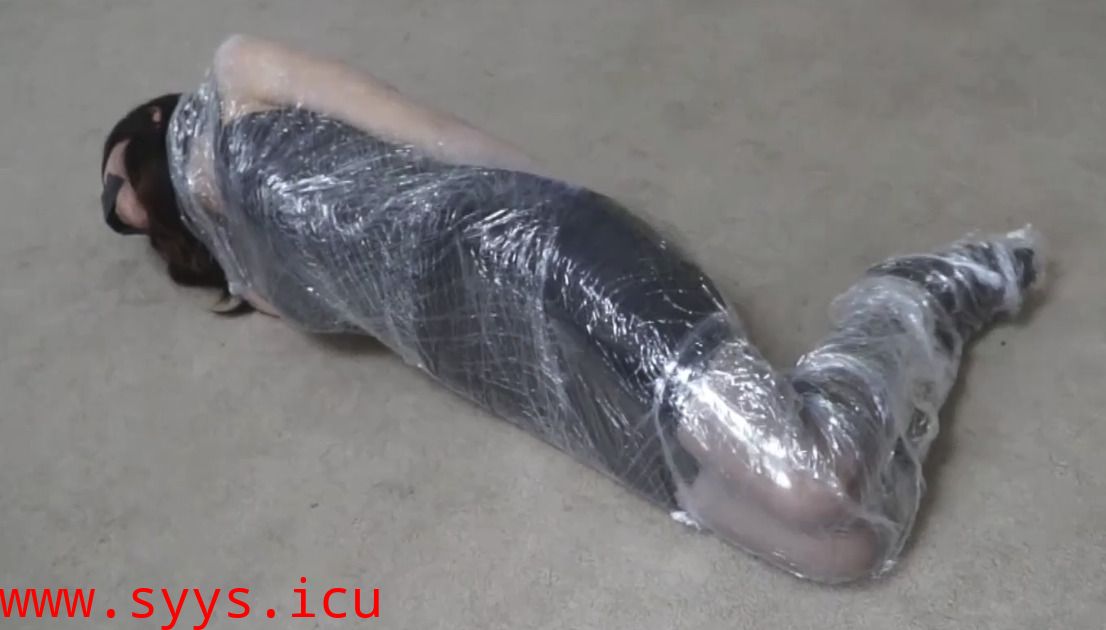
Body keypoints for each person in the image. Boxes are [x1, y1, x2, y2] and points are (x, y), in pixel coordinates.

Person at [99, 34, 1043, 582]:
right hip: (506, 368)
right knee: (844, 552)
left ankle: (915, 293)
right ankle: (895, 345)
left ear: (152, 123)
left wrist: (570, 212)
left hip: (552, 256)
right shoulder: (257, 281)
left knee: (813, 484)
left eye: (112, 181)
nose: (115, 207)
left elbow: (423, 131)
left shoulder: (240, 75)